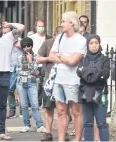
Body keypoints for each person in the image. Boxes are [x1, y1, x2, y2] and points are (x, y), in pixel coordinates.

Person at [49, 11, 87, 141]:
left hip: (73, 80)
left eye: (64, 21)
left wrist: (60, 55)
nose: (61, 23)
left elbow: (73, 62)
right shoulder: (59, 37)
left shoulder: (80, 40)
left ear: (72, 23)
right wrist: (64, 57)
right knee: (60, 111)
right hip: (58, 79)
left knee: (76, 111)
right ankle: (61, 139)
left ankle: (77, 139)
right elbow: (51, 55)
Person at [76, 34, 110, 141]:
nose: (94, 45)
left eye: (96, 43)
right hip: (85, 93)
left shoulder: (105, 59)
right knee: (87, 123)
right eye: (91, 43)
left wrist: (87, 72)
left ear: (99, 44)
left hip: (100, 93)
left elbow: (105, 74)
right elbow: (79, 72)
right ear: (87, 45)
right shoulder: (83, 59)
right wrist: (96, 73)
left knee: (101, 123)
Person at [37, 26, 62, 141]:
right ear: (54, 35)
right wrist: (50, 58)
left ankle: (63, 132)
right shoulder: (47, 43)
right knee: (48, 108)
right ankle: (48, 132)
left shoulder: (68, 44)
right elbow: (38, 59)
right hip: (49, 80)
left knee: (63, 109)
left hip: (63, 79)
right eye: (58, 37)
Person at [16, 37, 46, 133]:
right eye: (24, 46)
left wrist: (30, 62)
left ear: (31, 46)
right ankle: (26, 125)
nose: (26, 48)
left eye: (28, 46)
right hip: (21, 82)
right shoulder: (19, 58)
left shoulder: (36, 57)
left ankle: (40, 125)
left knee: (34, 104)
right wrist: (30, 71)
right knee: (24, 105)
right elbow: (18, 72)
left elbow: (36, 72)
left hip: (32, 82)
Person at [29, 20, 51, 107]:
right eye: (39, 26)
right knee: (35, 84)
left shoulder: (48, 38)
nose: (41, 28)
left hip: (45, 63)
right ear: (36, 27)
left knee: (43, 83)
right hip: (35, 63)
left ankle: (40, 102)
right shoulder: (32, 37)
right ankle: (35, 102)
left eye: (42, 26)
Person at [3, 26, 22, 119]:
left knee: (21, 89)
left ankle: (23, 110)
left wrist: (20, 45)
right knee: (10, 90)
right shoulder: (4, 42)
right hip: (9, 68)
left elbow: (29, 51)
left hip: (20, 68)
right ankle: (12, 110)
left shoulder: (20, 41)